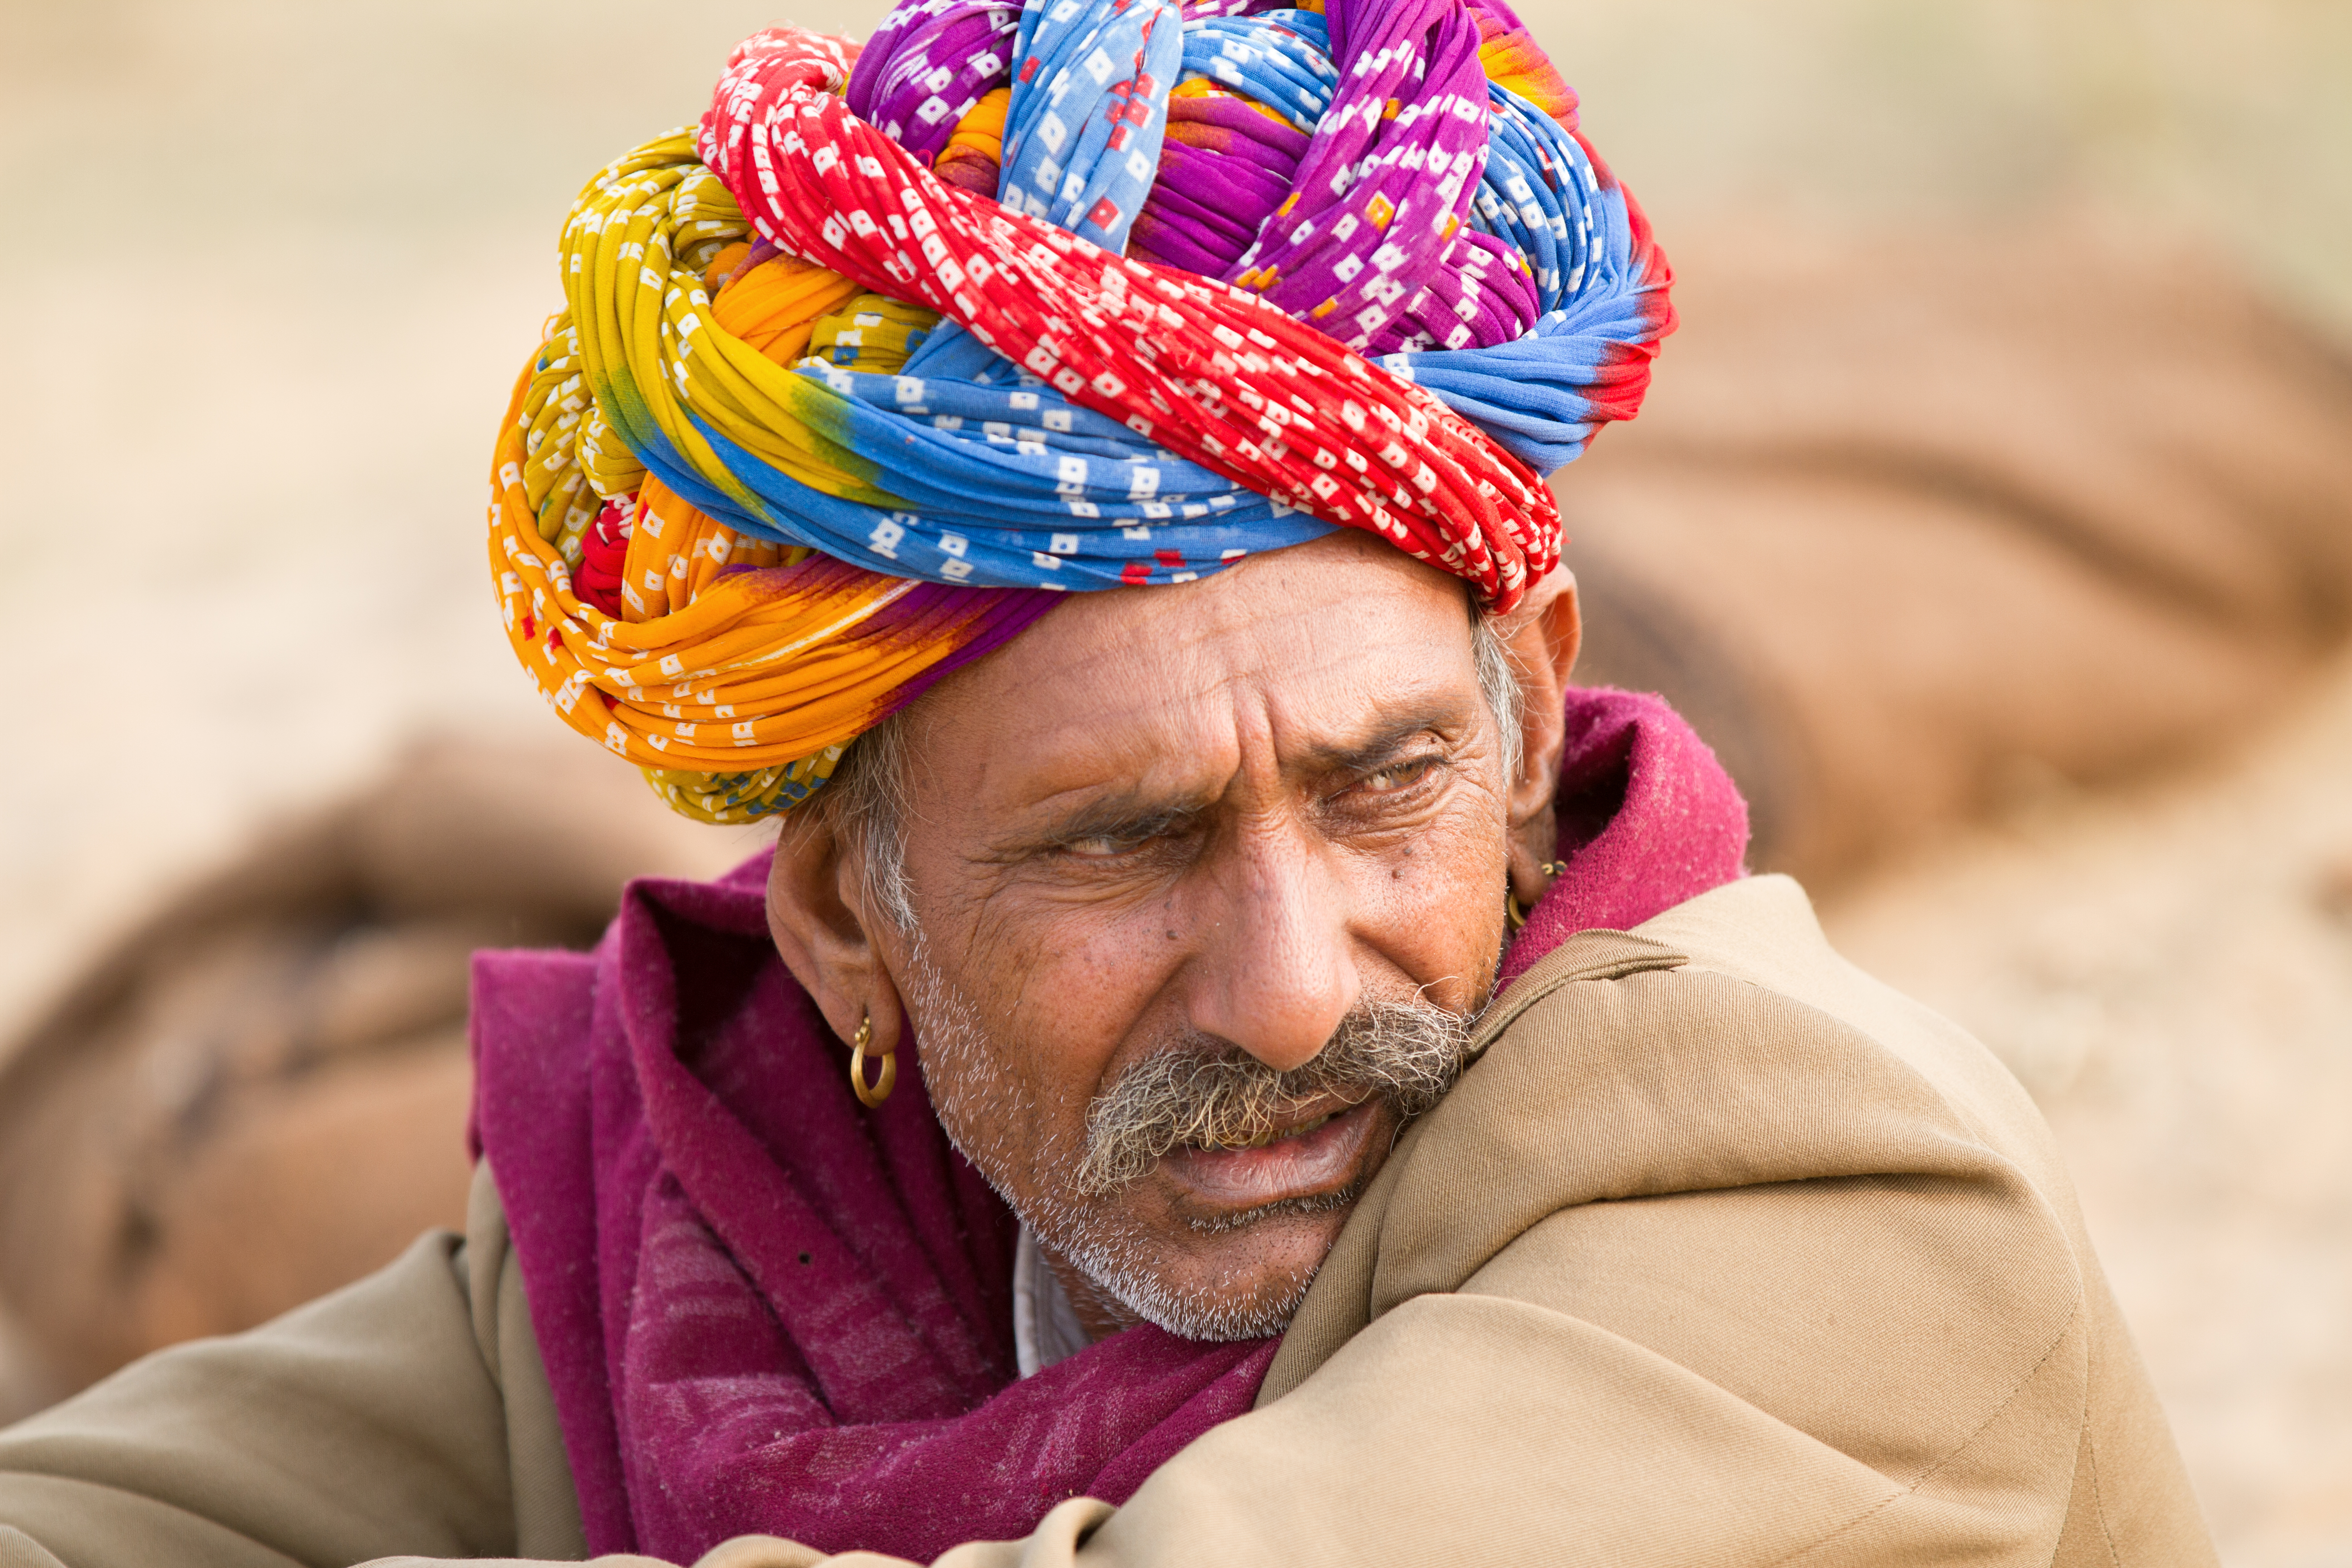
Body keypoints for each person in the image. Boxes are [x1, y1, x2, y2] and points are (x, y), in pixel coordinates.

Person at [0, 3, 2214, 1564]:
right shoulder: (747, 1211)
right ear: (848, 918)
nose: (1287, 987)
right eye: (1123, 843)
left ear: (1533, 714)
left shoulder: (1817, 1205)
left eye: (1382, 787)